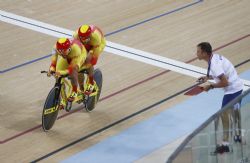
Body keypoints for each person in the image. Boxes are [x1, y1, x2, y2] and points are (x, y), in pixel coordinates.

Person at [196, 42, 243, 154]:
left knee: (224, 114)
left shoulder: (214, 65)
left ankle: (225, 144)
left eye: (198, 51)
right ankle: (237, 137)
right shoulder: (214, 58)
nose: (196, 53)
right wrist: (207, 78)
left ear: (204, 53)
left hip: (233, 90)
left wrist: (211, 86)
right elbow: (222, 74)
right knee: (234, 113)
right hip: (237, 87)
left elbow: (225, 82)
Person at [48, 37, 87, 108]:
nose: (63, 54)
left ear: (69, 48)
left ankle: (76, 91)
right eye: (61, 52)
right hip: (69, 56)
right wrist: (52, 70)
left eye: (65, 51)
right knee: (58, 76)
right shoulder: (55, 48)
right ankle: (64, 99)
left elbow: (71, 69)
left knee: (73, 72)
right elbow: (53, 63)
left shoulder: (76, 50)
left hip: (79, 55)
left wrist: (62, 72)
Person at [73, 24, 106, 95]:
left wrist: (89, 62)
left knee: (89, 60)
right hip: (85, 45)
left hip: (98, 44)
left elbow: (94, 60)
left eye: (85, 38)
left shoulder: (95, 37)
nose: (84, 40)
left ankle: (91, 82)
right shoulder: (76, 36)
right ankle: (81, 88)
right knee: (79, 66)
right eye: (82, 38)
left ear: (90, 36)